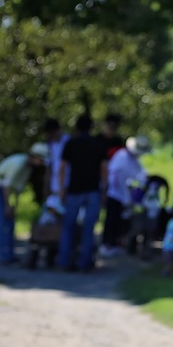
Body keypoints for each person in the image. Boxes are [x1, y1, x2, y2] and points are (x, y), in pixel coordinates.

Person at [0, 144, 48, 265]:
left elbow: (17, 189)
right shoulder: (19, 163)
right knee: (3, 222)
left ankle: (10, 255)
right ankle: (4, 257)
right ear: (35, 156)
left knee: (11, 222)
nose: (42, 163)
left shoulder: (28, 168)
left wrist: (14, 207)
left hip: (5, 191)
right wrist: (7, 206)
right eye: (41, 160)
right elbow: (5, 186)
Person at [57, 114, 106, 271]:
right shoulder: (98, 144)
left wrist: (61, 189)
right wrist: (104, 188)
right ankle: (85, 263)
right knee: (89, 228)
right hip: (92, 190)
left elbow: (62, 169)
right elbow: (104, 169)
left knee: (68, 227)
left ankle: (64, 262)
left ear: (76, 127)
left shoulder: (70, 144)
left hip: (74, 190)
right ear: (91, 128)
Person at [103, 136, 148, 255]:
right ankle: (108, 244)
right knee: (112, 219)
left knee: (121, 220)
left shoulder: (133, 159)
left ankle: (116, 242)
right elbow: (115, 176)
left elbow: (141, 174)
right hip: (115, 193)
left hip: (125, 195)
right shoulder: (122, 156)